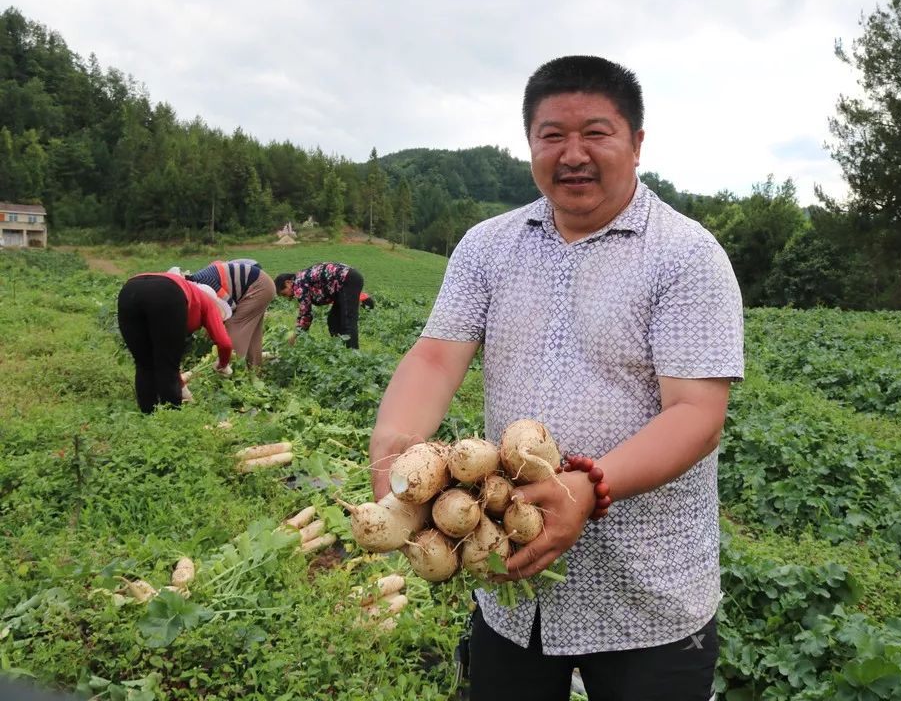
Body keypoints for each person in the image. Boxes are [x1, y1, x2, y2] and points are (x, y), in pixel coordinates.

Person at [368, 55, 744, 700]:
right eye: (552, 135)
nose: (573, 154)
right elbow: (436, 356)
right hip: (509, 571)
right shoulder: (488, 245)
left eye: (596, 133)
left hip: (645, 589)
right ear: (530, 144)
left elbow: (695, 414)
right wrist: (394, 446)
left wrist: (588, 491)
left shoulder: (687, 256)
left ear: (637, 142)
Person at [117, 271, 233, 413]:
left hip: (129, 291)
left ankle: (147, 415)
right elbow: (224, 343)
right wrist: (223, 365)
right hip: (167, 293)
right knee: (167, 366)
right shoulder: (209, 303)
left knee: (144, 364)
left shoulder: (189, 291)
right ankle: (172, 417)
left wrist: (182, 386)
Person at [185, 259, 274, 366]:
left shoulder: (205, 283)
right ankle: (255, 370)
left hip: (258, 287)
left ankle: (231, 368)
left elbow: (230, 306)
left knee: (234, 325)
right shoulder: (197, 284)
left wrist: (215, 327)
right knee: (253, 334)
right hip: (260, 285)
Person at [274, 262, 364, 349]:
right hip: (343, 284)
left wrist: (295, 335)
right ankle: (340, 349)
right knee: (333, 321)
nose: (287, 297)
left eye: (284, 294)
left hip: (347, 280)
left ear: (288, 283)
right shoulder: (300, 280)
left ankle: (352, 352)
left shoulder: (298, 284)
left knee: (347, 320)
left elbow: (305, 314)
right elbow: (304, 311)